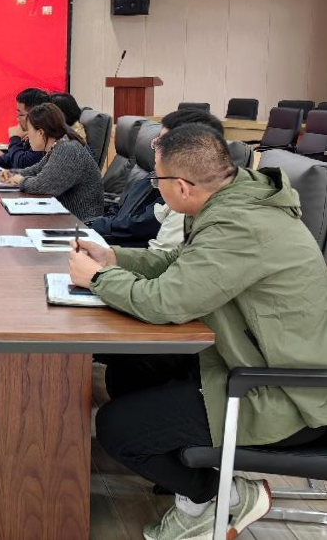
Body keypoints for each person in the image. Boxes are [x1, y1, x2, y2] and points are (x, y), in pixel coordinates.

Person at [69, 124, 327, 540]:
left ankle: (220, 496)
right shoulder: (232, 200)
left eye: (157, 179)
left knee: (118, 429)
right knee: (132, 369)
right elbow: (182, 263)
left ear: (183, 187)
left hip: (287, 393)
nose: (155, 186)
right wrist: (113, 258)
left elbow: (166, 302)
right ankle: (189, 489)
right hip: (245, 360)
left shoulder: (239, 225)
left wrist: (98, 279)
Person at [90, 109, 225, 247]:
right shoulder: (154, 176)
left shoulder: (186, 195)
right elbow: (120, 207)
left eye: (161, 144)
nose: (154, 148)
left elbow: (141, 230)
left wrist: (96, 231)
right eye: (157, 141)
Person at [0, 102, 104, 221]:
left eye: (29, 131)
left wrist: (20, 180)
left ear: (41, 133)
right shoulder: (59, 146)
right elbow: (36, 170)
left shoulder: (68, 149)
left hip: (82, 223)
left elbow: (42, 186)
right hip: (64, 219)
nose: (27, 137)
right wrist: (12, 173)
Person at [0, 88, 51, 169]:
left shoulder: (43, 135)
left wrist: (15, 138)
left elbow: (22, 164)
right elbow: (17, 155)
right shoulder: (32, 133)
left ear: (35, 114)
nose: (17, 119)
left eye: (21, 115)